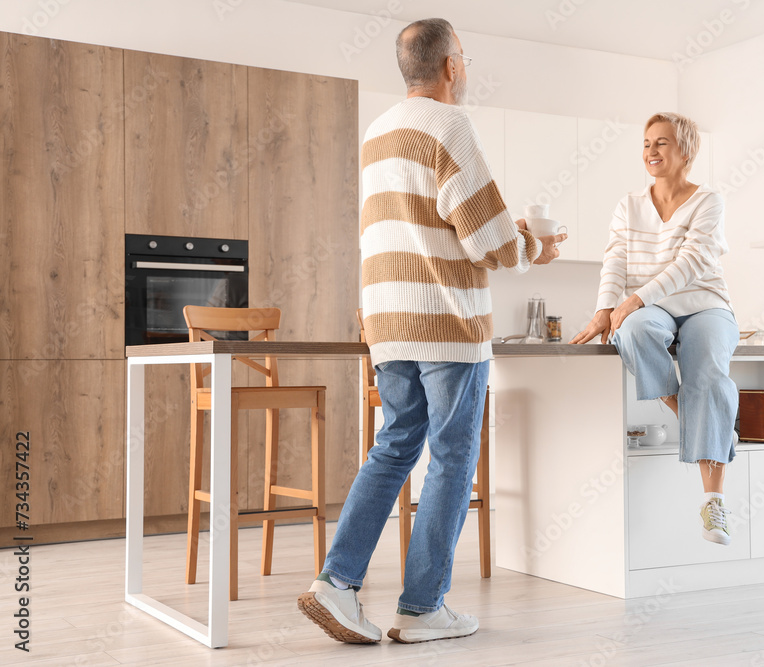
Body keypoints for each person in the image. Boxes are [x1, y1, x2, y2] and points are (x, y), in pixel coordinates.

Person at [297, 18, 565, 645]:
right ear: (450, 66)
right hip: (446, 321)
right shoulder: (450, 126)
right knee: (451, 459)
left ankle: (336, 584)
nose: (465, 70)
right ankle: (422, 609)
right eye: (465, 59)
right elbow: (489, 239)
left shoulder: (378, 131)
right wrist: (536, 245)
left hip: (388, 319)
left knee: (394, 448)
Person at [570, 111, 739, 546]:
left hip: (704, 303)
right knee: (635, 331)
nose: (651, 151)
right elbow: (616, 261)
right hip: (651, 308)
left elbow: (692, 264)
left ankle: (712, 504)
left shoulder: (708, 202)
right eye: (647, 143)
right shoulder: (629, 205)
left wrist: (634, 299)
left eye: (661, 143)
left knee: (708, 378)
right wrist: (606, 309)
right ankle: (698, 420)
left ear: (685, 151)